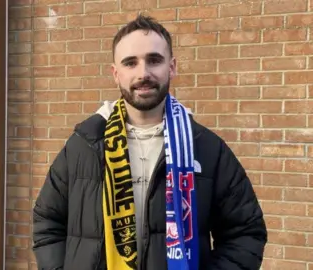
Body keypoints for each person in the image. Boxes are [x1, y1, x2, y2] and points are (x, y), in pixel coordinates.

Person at [32, 14, 267, 270]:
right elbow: (47, 223)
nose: (143, 73)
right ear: (116, 73)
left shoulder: (206, 149)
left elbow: (245, 233)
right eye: (130, 63)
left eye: (154, 60)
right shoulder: (83, 146)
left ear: (172, 66)